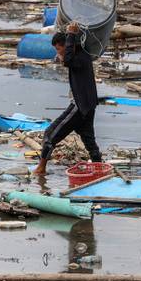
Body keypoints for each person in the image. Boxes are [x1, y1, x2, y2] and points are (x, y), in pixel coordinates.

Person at [34, 23, 101, 175]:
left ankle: (41, 169)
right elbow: (67, 59)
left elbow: (68, 60)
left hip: (80, 105)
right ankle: (99, 169)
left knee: (50, 134)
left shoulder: (77, 57)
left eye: (58, 49)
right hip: (88, 105)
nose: (58, 53)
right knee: (89, 141)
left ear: (67, 45)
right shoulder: (83, 55)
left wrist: (70, 34)